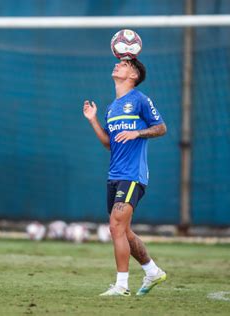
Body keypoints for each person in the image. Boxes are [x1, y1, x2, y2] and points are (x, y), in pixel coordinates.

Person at [83, 58, 167, 296]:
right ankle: (152, 272)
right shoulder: (111, 107)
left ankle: (122, 286)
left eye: (124, 64)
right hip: (115, 175)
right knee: (123, 231)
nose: (118, 65)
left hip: (132, 175)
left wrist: (137, 132)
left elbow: (161, 127)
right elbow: (109, 144)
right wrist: (93, 120)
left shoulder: (140, 99)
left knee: (115, 226)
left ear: (133, 75)